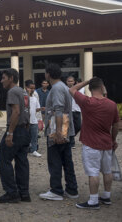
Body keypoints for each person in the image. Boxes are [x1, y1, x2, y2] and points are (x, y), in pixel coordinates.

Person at [69, 77, 119, 209]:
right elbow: (115, 125)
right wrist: (113, 140)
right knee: (107, 171)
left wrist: (87, 81)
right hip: (106, 143)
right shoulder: (112, 104)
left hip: (91, 144)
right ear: (103, 88)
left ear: (90, 89)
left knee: (93, 172)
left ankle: (93, 201)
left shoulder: (87, 102)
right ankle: (106, 196)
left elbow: (72, 89)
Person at [39, 63, 78, 201]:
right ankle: (72, 190)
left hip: (57, 131)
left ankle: (56, 190)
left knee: (55, 161)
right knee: (67, 161)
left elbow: (58, 110)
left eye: (45, 73)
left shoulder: (56, 89)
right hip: (66, 130)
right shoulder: (64, 87)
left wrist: (58, 133)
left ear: (48, 74)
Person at [0, 68, 31, 203]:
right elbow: (26, 111)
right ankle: (24, 193)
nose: (1, 81)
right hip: (25, 129)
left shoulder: (12, 91)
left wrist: (10, 133)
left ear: (11, 78)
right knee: (22, 161)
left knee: (4, 160)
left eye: (3, 78)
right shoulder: (23, 91)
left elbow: (16, 112)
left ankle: (11, 192)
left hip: (16, 130)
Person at [25, 80, 43, 157]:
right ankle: (25, 149)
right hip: (25, 121)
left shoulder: (35, 98)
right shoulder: (23, 97)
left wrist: (41, 109)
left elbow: (36, 109)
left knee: (34, 137)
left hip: (34, 121)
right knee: (25, 137)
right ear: (26, 88)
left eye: (33, 88)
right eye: (30, 88)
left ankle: (34, 150)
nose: (32, 90)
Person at [66, 75, 83, 149]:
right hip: (69, 111)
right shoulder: (65, 89)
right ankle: (72, 143)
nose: (70, 82)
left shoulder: (77, 89)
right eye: (69, 81)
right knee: (70, 127)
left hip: (77, 110)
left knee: (79, 126)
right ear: (66, 82)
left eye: (71, 81)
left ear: (74, 82)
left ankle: (70, 137)